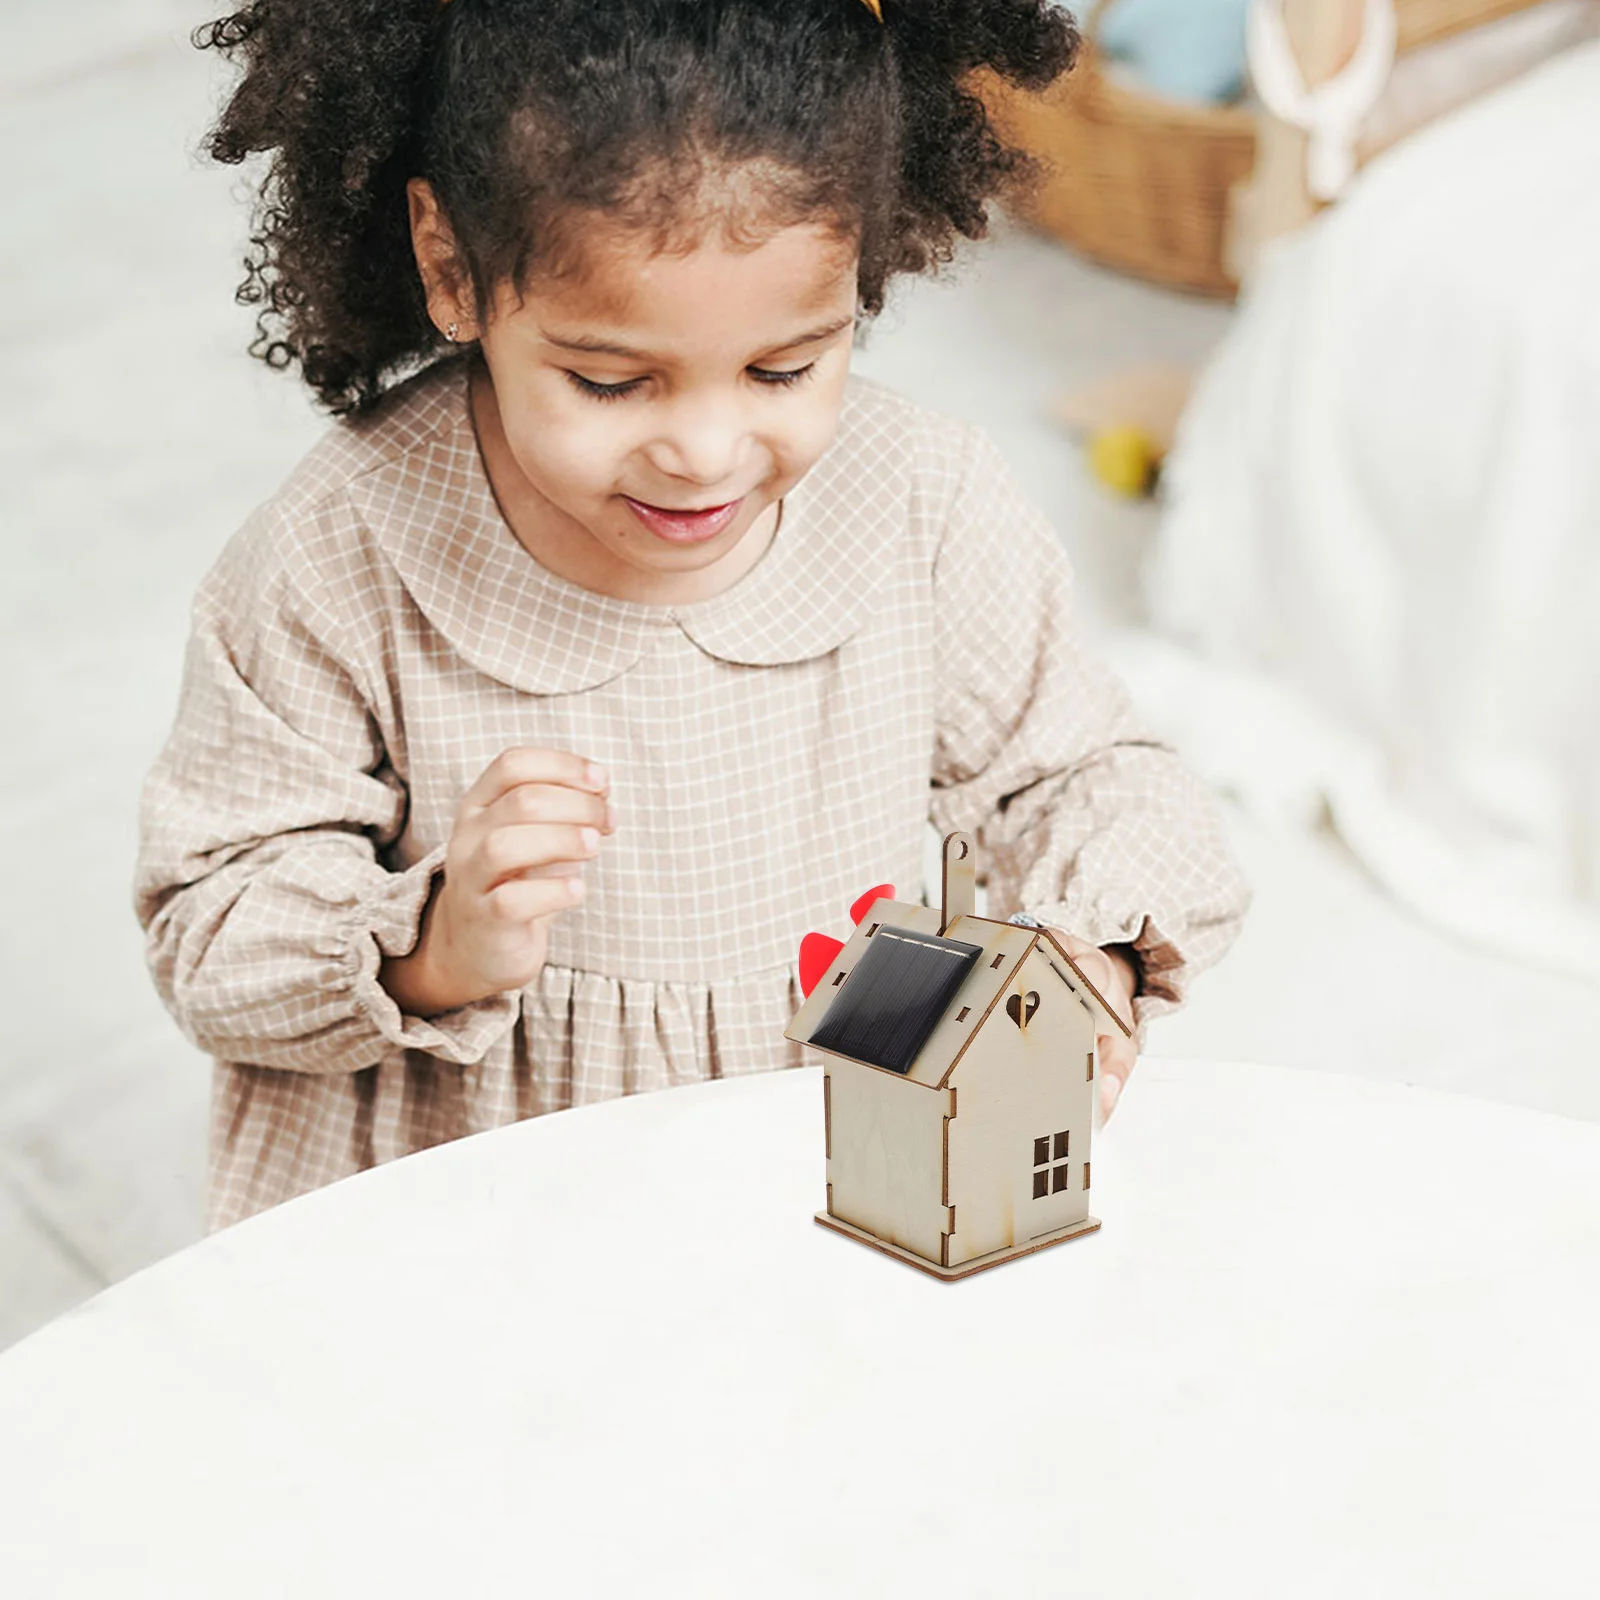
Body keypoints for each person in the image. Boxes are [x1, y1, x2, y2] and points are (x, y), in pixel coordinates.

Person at [135, 0, 1250, 1230]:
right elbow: (210, 928)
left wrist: (1086, 955)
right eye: (610, 380)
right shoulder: (342, 552)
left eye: (785, 369)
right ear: (452, 268)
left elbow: (1082, 770)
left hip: (836, 1161)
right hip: (494, 1206)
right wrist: (434, 944)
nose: (707, 453)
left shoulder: (917, 504)